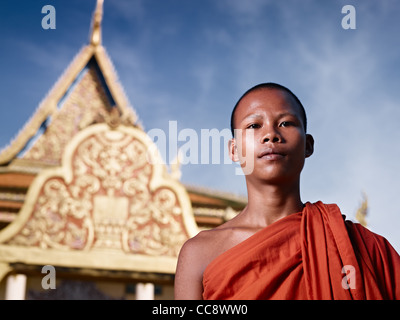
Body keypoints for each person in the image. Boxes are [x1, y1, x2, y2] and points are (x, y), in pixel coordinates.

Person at [174, 82, 400, 300]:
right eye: (254, 126)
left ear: (308, 145)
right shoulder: (199, 253)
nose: (271, 135)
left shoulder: (363, 247)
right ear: (234, 150)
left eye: (285, 123)